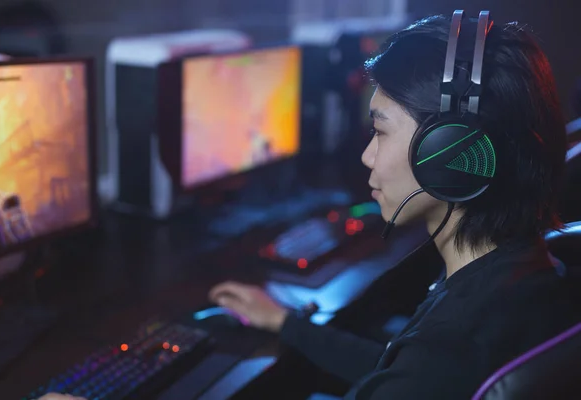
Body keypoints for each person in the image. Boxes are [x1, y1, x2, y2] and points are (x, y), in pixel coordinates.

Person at [39, 11, 581, 400]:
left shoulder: (452, 350)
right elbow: (394, 373)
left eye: (380, 131)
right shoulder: (521, 274)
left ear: (452, 157)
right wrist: (289, 325)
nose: (366, 156)